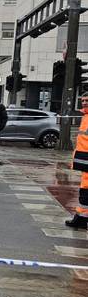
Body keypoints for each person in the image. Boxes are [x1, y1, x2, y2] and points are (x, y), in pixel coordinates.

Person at [66, 94, 88, 229]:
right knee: (85, 188)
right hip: (84, 157)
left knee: (85, 189)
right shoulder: (85, 117)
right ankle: (81, 218)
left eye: (87, 101)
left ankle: (81, 218)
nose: (84, 103)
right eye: (83, 100)